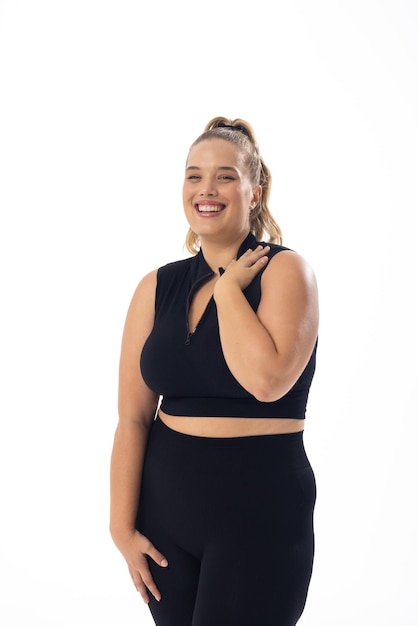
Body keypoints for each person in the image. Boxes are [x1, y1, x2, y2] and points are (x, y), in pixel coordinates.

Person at [110, 117, 319, 626]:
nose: (206, 189)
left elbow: (267, 382)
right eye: (193, 175)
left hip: (258, 511)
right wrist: (120, 527)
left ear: (255, 192)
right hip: (165, 518)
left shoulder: (286, 271)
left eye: (225, 176)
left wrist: (228, 291)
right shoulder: (156, 287)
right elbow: (133, 418)